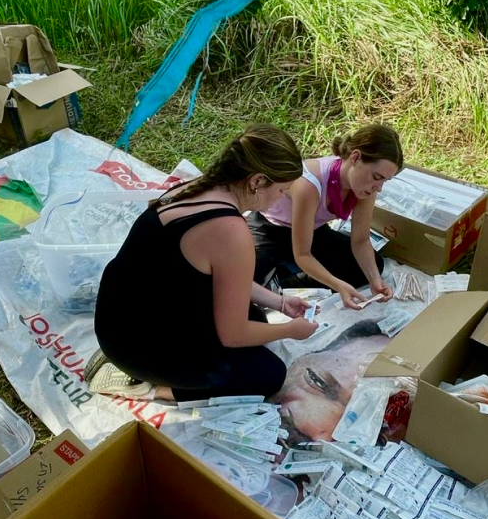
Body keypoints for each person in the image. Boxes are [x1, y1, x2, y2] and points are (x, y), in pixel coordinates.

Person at [87, 124, 318, 403]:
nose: (282, 197)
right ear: (257, 181)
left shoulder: (196, 187)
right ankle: (147, 387)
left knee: (255, 318)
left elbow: (227, 277)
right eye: (282, 190)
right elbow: (232, 335)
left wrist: (279, 302)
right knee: (268, 375)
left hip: (125, 314)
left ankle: (137, 360)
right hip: (134, 344)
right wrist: (290, 331)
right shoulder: (230, 231)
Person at [248, 123, 403, 310]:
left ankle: (287, 279)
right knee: (242, 284)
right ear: (355, 157)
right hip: (271, 228)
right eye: (377, 177)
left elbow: (361, 240)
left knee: (373, 266)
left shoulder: (365, 188)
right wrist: (338, 285)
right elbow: (303, 254)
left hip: (313, 229)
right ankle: (278, 282)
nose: (378, 187)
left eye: (385, 181)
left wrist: (375, 281)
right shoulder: (310, 185)